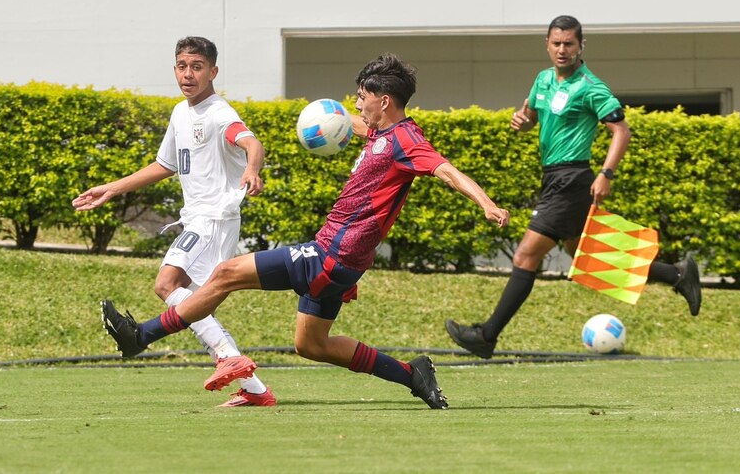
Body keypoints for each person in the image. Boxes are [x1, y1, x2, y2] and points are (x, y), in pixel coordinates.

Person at [99, 53, 511, 409]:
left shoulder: (405, 140)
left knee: (225, 275)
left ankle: (141, 336)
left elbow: (446, 171)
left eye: (363, 96)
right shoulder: (380, 132)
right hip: (342, 262)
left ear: (384, 100)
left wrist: (487, 203)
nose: (358, 102)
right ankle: (412, 375)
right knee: (311, 345)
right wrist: (326, 110)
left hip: (330, 255)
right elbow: (349, 121)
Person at [445, 15, 703, 359]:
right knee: (581, 250)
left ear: (582, 46)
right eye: (556, 43)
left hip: (572, 179)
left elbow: (621, 131)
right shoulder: (542, 80)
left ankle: (487, 335)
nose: (562, 50)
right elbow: (533, 117)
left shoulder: (590, 86)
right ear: (548, 45)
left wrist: (605, 174)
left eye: (569, 43)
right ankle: (677, 275)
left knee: (525, 255)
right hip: (552, 178)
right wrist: (522, 122)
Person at [73, 36, 276, 407]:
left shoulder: (219, 113)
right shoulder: (181, 113)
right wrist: (112, 189)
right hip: (198, 220)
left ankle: (228, 357)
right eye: (182, 66)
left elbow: (250, 141)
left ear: (213, 72)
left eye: (197, 67)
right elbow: (165, 165)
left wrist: (251, 168)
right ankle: (255, 389)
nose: (188, 74)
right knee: (194, 304)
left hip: (213, 218)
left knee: (167, 284)